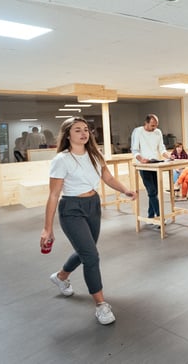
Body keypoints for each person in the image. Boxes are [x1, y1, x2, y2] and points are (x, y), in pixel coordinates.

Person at [40, 117, 136, 325]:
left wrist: (125, 189)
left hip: (93, 204)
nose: (84, 133)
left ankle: (61, 277)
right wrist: (47, 229)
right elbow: (54, 195)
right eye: (77, 130)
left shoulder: (95, 154)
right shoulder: (62, 160)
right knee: (91, 256)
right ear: (67, 135)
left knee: (86, 250)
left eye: (86, 129)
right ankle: (101, 305)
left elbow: (108, 178)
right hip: (71, 208)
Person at [130, 114, 170, 219]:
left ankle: (150, 216)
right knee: (152, 191)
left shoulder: (158, 132)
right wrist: (141, 159)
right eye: (152, 125)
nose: (154, 128)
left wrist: (169, 156)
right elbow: (134, 150)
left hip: (155, 164)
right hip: (143, 165)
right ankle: (160, 217)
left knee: (154, 192)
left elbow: (162, 149)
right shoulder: (138, 131)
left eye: (156, 125)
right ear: (146, 123)